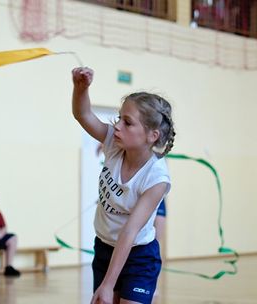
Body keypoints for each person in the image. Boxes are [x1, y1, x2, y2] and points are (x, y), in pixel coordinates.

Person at [72, 67, 175, 304]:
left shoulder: (156, 178)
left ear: (153, 136)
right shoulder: (113, 144)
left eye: (127, 122)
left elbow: (130, 231)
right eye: (119, 118)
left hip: (139, 255)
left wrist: (108, 285)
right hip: (105, 248)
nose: (117, 126)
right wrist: (80, 89)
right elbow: (83, 115)